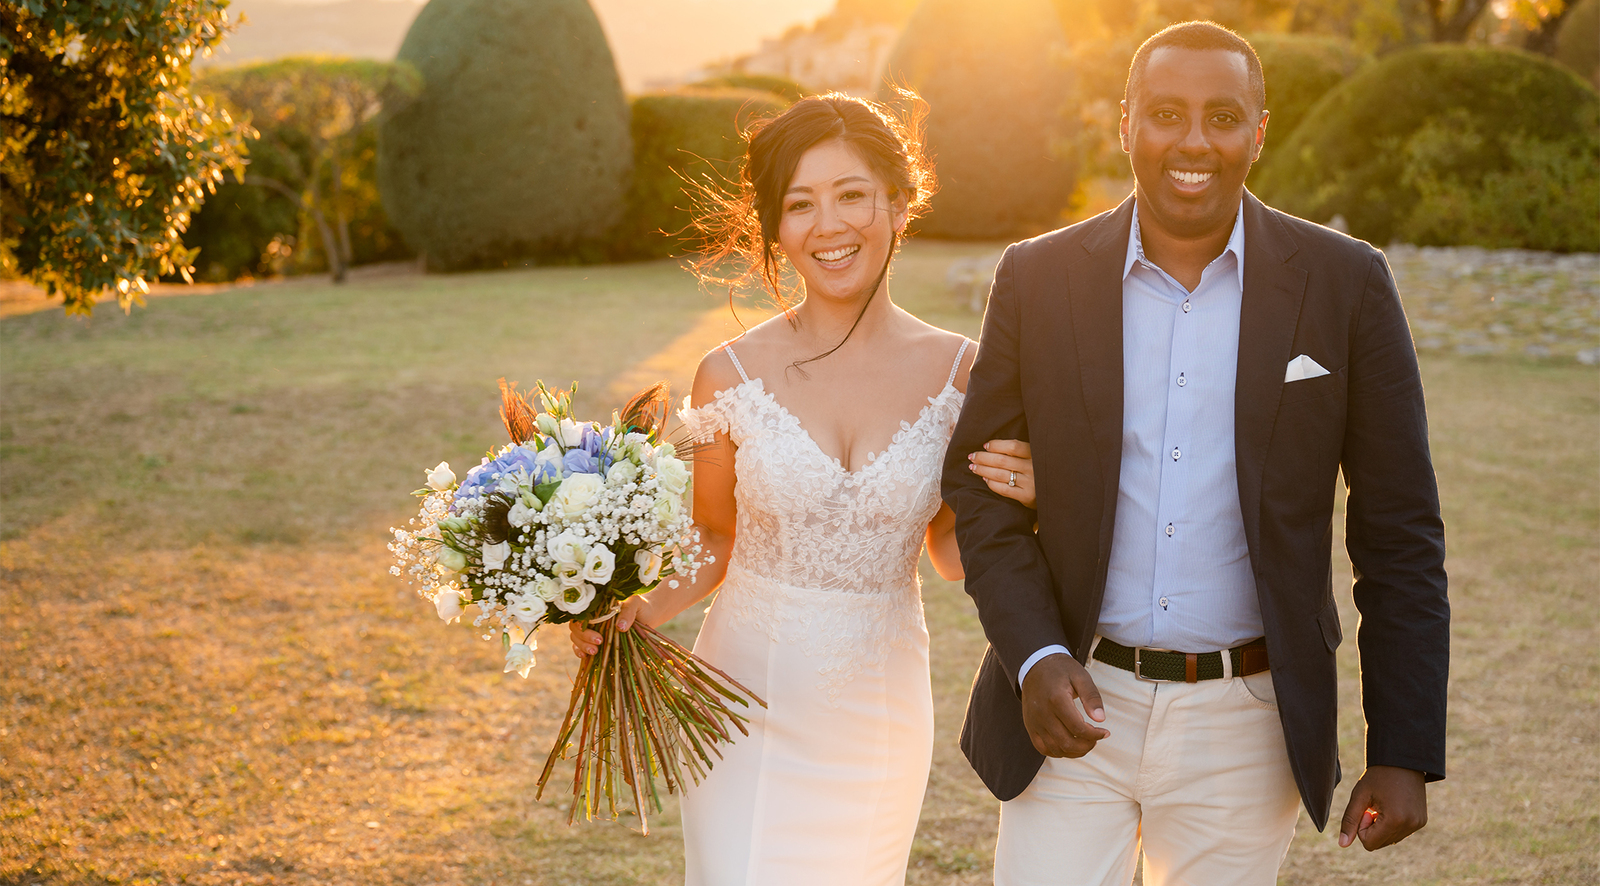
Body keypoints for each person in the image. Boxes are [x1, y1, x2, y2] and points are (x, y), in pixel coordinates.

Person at [941, 21, 1449, 886]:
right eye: (1167, 113)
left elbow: (1398, 530)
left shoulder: (1346, 283)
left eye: (1222, 117)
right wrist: (1035, 654)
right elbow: (978, 488)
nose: (1193, 142)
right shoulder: (1038, 276)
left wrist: (1403, 745)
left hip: (1248, 720)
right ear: (1127, 123)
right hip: (1073, 700)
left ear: (1259, 130)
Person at [568, 92, 1037, 885]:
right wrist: (635, 607)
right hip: (748, 700)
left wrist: (1031, 506)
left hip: (880, 706)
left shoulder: (966, 371)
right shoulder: (730, 374)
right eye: (800, 204)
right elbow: (713, 541)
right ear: (776, 229)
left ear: (898, 201)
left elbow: (951, 550)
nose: (830, 226)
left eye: (852, 195)